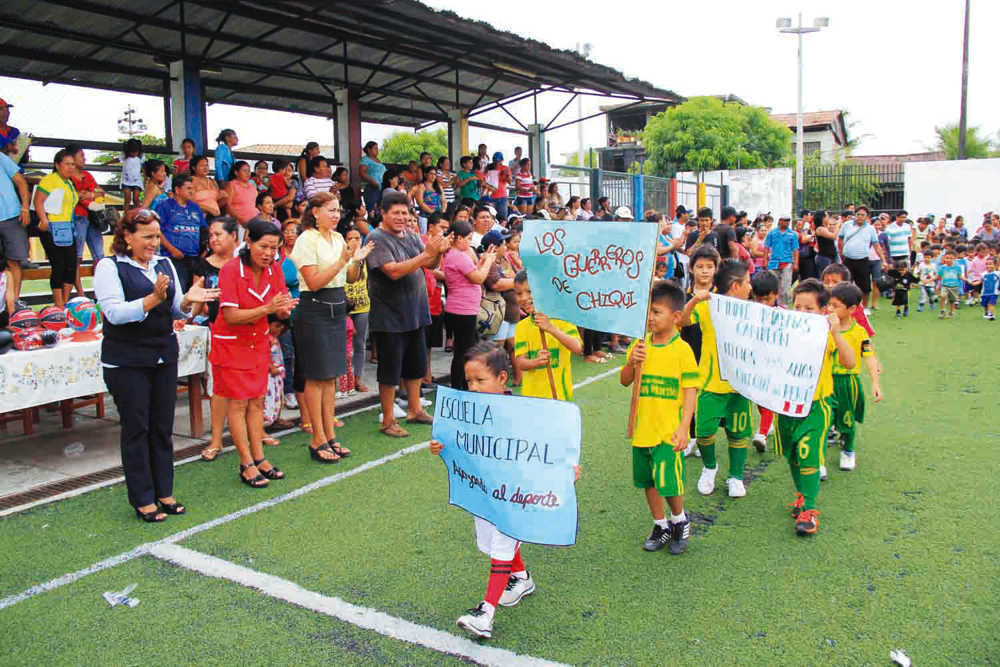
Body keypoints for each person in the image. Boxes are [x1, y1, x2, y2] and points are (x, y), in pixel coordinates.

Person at [429, 342, 580, 640]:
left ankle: (486, 612)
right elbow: (461, 445)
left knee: (501, 544)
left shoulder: (522, 413)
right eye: (469, 381)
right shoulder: (468, 412)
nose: (472, 387)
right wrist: (441, 447)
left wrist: (565, 470)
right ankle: (521, 578)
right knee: (491, 541)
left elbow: (545, 447)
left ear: (501, 378)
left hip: (514, 495)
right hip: (485, 493)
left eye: (480, 380)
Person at [94, 208, 220, 521]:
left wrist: (190, 299)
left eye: (156, 237)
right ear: (127, 236)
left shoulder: (163, 264)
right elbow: (115, 313)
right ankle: (142, 498)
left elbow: (177, 309)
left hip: (164, 355)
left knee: (162, 428)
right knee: (137, 428)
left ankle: (164, 490)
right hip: (127, 361)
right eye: (147, 237)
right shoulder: (109, 267)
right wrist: (151, 300)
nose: (154, 243)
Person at [210, 219, 295, 489]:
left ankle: (259, 456)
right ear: (248, 242)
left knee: (257, 400)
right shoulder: (232, 270)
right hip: (231, 345)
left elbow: (279, 307)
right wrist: (268, 308)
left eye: (274, 248)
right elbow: (231, 315)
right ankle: (245, 462)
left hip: (258, 343)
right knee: (238, 404)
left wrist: (284, 310)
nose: (269, 253)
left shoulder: (274, 270)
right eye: (264, 246)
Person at [291, 193, 373, 461]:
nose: (336, 215)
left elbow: (348, 277)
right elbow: (313, 281)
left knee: (331, 377)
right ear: (314, 212)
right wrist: (342, 261)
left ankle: (330, 435)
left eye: (338, 210)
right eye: (330, 210)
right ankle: (317, 439)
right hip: (315, 308)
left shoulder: (338, 238)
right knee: (317, 376)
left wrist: (356, 259)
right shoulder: (306, 239)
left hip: (338, 307)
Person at [621, 280, 698, 554]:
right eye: (648, 312)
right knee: (649, 481)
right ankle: (660, 524)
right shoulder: (640, 345)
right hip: (643, 429)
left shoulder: (682, 350)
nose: (650, 318)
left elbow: (690, 389)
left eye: (656, 312)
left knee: (669, 482)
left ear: (676, 317)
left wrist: (684, 426)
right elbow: (624, 381)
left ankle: (679, 520)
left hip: (668, 431)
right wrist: (632, 361)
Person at [366, 191, 450, 437]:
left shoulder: (411, 236)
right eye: (396, 212)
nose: (402, 217)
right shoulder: (377, 238)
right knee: (390, 370)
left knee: (416, 365)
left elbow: (430, 265)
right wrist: (427, 254)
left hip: (416, 311)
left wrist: (439, 251)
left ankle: (415, 409)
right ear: (383, 213)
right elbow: (392, 271)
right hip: (390, 315)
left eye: (406, 212)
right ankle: (388, 419)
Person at [780, 279, 854, 536]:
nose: (801, 312)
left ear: (823, 311)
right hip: (786, 404)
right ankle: (802, 496)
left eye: (808, 308)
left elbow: (849, 361)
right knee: (792, 454)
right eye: (797, 306)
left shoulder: (826, 333)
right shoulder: (783, 331)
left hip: (816, 405)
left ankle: (810, 510)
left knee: (808, 452)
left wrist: (835, 333)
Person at [681, 260, 754, 498]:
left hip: (740, 386)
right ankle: (710, 468)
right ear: (735, 286)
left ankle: (736, 476)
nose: (750, 287)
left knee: (738, 433)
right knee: (703, 431)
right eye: (747, 282)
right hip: (711, 383)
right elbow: (682, 321)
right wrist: (693, 300)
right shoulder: (708, 306)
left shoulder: (753, 312)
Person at [191, 217, 239, 462]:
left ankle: (256, 432)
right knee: (218, 388)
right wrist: (189, 312)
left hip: (244, 331)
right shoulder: (203, 266)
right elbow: (196, 303)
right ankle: (217, 439)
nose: (214, 239)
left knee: (247, 387)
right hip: (217, 331)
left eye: (219, 234)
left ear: (234, 237)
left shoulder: (245, 263)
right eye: (211, 235)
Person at [828, 282, 882, 473]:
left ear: (851, 309)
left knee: (847, 418)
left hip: (847, 382)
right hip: (825, 380)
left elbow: (869, 357)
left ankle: (848, 451)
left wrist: (875, 383)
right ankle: (818, 460)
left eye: (835, 306)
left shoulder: (859, 332)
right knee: (824, 418)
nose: (830, 309)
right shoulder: (823, 327)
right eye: (829, 304)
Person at [513, 269, 583, 400]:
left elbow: (577, 348)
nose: (524, 298)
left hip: (560, 397)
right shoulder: (521, 327)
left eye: (530, 291)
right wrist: (535, 362)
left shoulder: (562, 319)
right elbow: (520, 362)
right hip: (533, 399)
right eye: (518, 293)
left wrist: (551, 328)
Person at [443, 219, 495, 390]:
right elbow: (479, 278)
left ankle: (462, 384)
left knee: (466, 350)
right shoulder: (458, 256)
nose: (469, 241)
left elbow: (472, 271)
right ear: (457, 238)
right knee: (463, 352)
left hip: (461, 309)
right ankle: (459, 386)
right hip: (462, 310)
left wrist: (483, 260)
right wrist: (489, 261)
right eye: (467, 238)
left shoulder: (456, 255)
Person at [34, 148, 79, 308]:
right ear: (57, 165)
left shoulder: (69, 183)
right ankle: (58, 303)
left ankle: (65, 301)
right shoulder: (50, 180)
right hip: (52, 228)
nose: (70, 167)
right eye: (67, 164)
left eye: (73, 164)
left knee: (71, 265)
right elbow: (38, 200)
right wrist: (43, 219)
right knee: (58, 264)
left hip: (67, 228)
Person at [157, 173, 207, 292]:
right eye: (188, 188)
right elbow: (156, 230)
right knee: (177, 292)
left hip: (194, 257)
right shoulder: (164, 206)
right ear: (177, 190)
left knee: (193, 292)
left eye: (193, 188)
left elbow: (203, 229)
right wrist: (172, 249)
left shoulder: (195, 208)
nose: (192, 191)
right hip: (173, 258)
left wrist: (204, 250)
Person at [67, 145, 106, 296]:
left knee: (99, 256)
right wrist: (89, 194)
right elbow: (75, 196)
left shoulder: (87, 175)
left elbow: (100, 191)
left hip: (93, 218)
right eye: (81, 155)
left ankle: (100, 291)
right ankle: (80, 293)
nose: (84, 159)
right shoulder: (68, 177)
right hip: (78, 217)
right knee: (77, 256)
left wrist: (86, 194)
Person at [481, 229, 519, 378]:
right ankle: (492, 380)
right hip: (497, 313)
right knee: (496, 350)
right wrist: (516, 282)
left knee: (512, 348)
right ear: (495, 247)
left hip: (510, 311)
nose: (506, 247)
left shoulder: (504, 260)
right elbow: (496, 284)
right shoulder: (488, 262)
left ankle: (514, 378)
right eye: (503, 244)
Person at [749, 271, 780, 453]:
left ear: (776, 295)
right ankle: (767, 425)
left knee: (767, 398)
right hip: (755, 363)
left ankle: (762, 433)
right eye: (758, 299)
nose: (762, 304)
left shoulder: (783, 314)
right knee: (759, 399)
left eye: (767, 299)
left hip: (774, 363)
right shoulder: (749, 313)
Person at [837, 206, 884, 310]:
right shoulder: (847, 225)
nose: (860, 217)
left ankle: (865, 308)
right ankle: (845, 306)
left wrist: (883, 259)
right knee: (845, 285)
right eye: (858, 214)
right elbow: (840, 239)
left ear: (867, 216)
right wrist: (841, 252)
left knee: (865, 287)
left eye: (862, 215)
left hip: (862, 260)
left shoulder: (870, 229)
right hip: (848, 259)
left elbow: (876, 245)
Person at [0, 140, 30, 301]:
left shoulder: (1, 158)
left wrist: (25, 207)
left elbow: (21, 181)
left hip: (11, 215)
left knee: (15, 261)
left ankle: (14, 302)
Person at [344, 227, 371, 392]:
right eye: (351, 238)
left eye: (357, 237)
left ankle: (358, 378)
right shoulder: (341, 257)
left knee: (359, 344)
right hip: (344, 308)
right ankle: (345, 380)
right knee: (342, 346)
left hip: (362, 306)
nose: (354, 241)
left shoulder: (366, 257)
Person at [764, 215, 799, 307]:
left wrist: (796, 263)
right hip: (773, 262)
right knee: (772, 285)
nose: (787, 223)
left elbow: (796, 249)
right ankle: (772, 304)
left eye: (788, 221)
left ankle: (783, 306)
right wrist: (765, 261)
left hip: (787, 262)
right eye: (785, 221)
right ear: (780, 221)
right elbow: (766, 247)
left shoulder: (792, 234)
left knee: (785, 287)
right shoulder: (772, 233)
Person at [225, 161, 259, 228]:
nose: (248, 173)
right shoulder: (232, 185)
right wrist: (241, 220)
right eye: (244, 171)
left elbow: (254, 205)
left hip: (254, 222)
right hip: (238, 223)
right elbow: (228, 206)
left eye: (249, 171)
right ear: (236, 173)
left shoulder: (252, 186)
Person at [415, 165, 443, 234]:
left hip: (438, 217)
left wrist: (443, 212)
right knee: (425, 236)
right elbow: (420, 203)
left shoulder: (438, 186)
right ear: (425, 174)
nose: (433, 176)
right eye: (431, 173)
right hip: (425, 216)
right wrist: (432, 212)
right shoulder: (422, 186)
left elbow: (444, 201)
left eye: (435, 174)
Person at [359, 141, 386, 212]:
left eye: (378, 149)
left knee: (381, 211)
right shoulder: (365, 159)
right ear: (369, 149)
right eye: (375, 148)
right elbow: (362, 173)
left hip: (381, 188)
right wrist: (374, 183)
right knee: (373, 211)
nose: (377, 151)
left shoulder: (378, 160)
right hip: (372, 188)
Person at [937, 249, 963, 318]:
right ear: (944, 258)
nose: (949, 260)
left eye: (951, 258)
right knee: (943, 296)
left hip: (954, 286)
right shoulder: (942, 267)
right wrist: (930, 280)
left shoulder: (957, 267)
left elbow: (960, 276)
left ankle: (951, 312)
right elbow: (938, 276)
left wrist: (968, 280)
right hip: (944, 285)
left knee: (952, 300)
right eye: (947, 258)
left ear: (954, 259)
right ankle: (943, 310)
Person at [120, 138, 143, 211]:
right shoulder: (124, 155)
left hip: (137, 181)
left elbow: (144, 166)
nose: (134, 154)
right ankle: (125, 215)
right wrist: (106, 163)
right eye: (132, 152)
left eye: (135, 152)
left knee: (136, 199)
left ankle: (137, 215)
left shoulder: (141, 156)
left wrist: (145, 177)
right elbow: (117, 159)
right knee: (127, 200)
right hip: (126, 181)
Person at [813, 210, 839, 275]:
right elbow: (833, 236)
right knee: (826, 276)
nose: (828, 217)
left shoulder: (825, 227)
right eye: (827, 216)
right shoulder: (820, 229)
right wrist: (838, 225)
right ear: (823, 218)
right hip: (825, 257)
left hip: (829, 257)